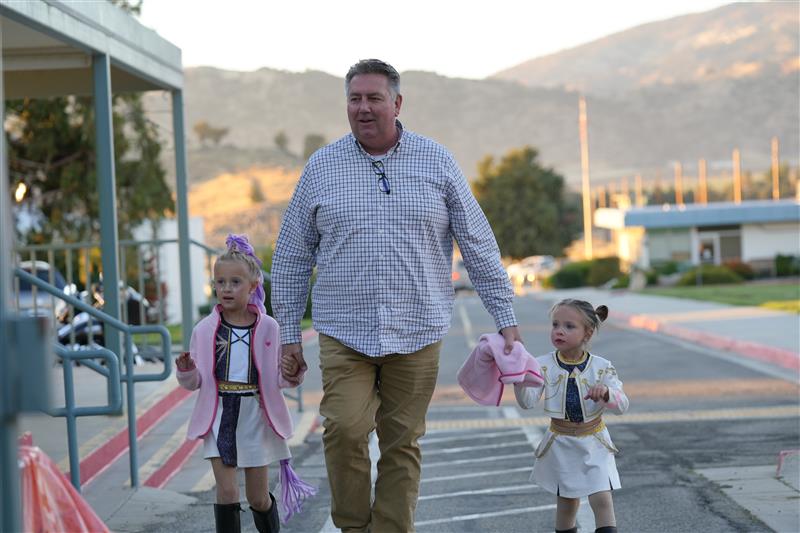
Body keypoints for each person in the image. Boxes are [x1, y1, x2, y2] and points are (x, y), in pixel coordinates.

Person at [271, 58, 521, 532]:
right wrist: (286, 335)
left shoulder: (437, 161)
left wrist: (503, 314)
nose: (363, 108)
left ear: (397, 103)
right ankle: (352, 526)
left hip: (418, 329)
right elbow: (290, 256)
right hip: (345, 331)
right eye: (354, 99)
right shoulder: (322, 166)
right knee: (344, 429)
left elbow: (477, 240)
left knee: (402, 442)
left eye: (374, 98)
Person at [176, 234, 315, 533]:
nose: (226, 288)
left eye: (235, 282)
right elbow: (196, 382)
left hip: (255, 418)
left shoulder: (268, 327)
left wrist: (291, 372)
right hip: (219, 416)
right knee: (226, 493)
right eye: (220, 282)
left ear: (253, 286)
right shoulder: (204, 330)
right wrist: (187, 370)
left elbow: (278, 379)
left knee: (257, 497)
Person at [514, 299, 629, 533]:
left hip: (594, 442)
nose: (559, 331)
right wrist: (519, 379)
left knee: (602, 499)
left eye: (569, 326)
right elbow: (527, 402)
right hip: (561, 443)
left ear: (587, 333)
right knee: (567, 504)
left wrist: (607, 394)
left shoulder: (602, 367)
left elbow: (622, 405)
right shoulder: (541, 365)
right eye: (555, 324)